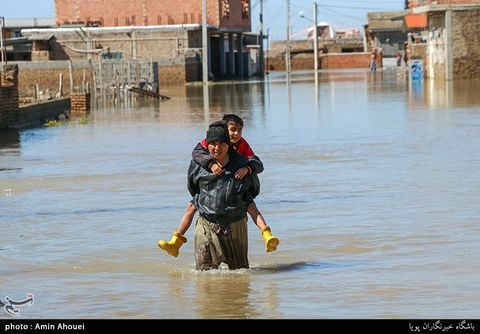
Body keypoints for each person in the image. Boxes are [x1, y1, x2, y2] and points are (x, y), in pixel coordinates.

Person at [158, 115, 279, 259]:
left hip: (237, 189)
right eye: (232, 130)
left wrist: (247, 168)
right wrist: (211, 164)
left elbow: (257, 163)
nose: (236, 134)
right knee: (191, 207)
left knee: (251, 207)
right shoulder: (210, 140)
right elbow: (196, 153)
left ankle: (267, 235)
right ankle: (176, 240)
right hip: (209, 194)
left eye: (239, 130)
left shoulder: (242, 145)